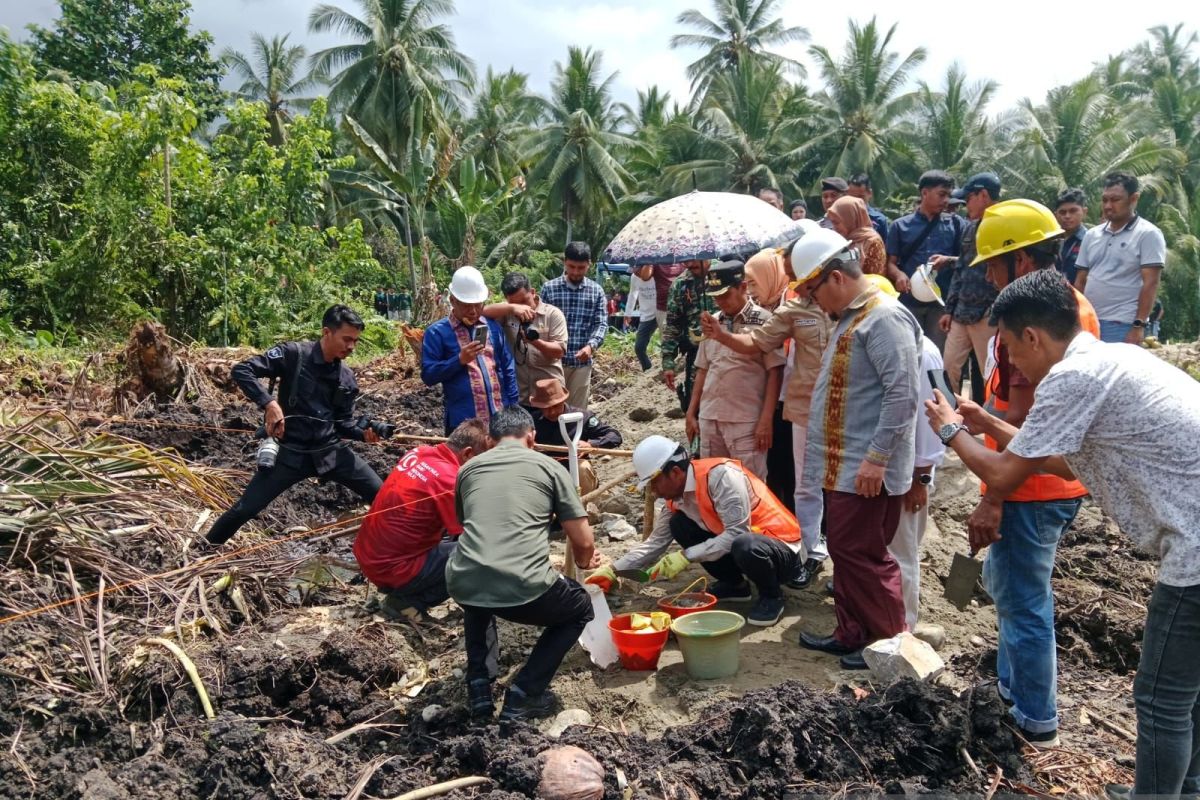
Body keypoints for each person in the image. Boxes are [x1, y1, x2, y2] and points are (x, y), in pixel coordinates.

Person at [924, 269, 1200, 795]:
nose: (1015, 365)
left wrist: (950, 430)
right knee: (1189, 692)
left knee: (1159, 698)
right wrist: (986, 421)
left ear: (1032, 336)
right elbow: (1069, 464)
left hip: (1196, 552)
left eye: (1009, 348)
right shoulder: (1114, 358)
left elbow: (1005, 474)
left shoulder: (1070, 378)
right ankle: (1186, 788)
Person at [945, 199, 1100, 748]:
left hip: (1030, 484)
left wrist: (992, 497)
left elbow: (1024, 423)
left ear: (1024, 260)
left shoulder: (1029, 326)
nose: (987, 275)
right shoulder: (1070, 306)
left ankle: (1033, 718)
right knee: (1014, 593)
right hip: (1049, 479)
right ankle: (1015, 693)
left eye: (993, 264)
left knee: (1023, 601)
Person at [793, 235, 921, 671]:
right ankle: (852, 634)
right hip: (843, 466)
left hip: (864, 468)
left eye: (813, 291)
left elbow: (902, 394)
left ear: (834, 277)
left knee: (863, 555)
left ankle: (890, 647)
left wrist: (877, 457)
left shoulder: (884, 318)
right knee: (847, 553)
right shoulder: (854, 318)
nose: (814, 301)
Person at [447, 405, 601, 722]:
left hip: (461, 578)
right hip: (524, 586)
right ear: (531, 438)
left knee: (478, 589)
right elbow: (583, 542)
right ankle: (524, 693)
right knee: (581, 606)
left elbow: (469, 527)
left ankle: (479, 690)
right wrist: (586, 563)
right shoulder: (549, 468)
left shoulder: (468, 469)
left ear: (490, 440)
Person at [701, 233, 835, 590]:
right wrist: (721, 335)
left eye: (797, 273)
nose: (792, 283)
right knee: (805, 485)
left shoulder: (857, 306)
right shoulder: (791, 313)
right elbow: (755, 345)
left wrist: (764, 418)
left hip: (846, 410)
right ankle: (806, 554)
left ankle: (828, 556)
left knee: (837, 488)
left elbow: (771, 367)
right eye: (788, 275)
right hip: (803, 408)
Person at [205, 305, 386, 546]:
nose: (351, 347)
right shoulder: (293, 354)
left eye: (355, 341)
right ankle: (206, 548)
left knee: (385, 498)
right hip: (290, 452)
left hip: (330, 451)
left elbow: (343, 425)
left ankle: (388, 552)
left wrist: (365, 434)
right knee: (244, 510)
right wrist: (269, 403)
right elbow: (242, 370)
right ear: (326, 332)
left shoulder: (347, 378)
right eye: (346, 339)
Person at [593, 435, 802, 628]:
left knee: (744, 544)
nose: (653, 491)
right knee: (679, 525)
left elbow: (737, 532)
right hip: (746, 547)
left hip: (782, 549)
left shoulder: (720, 476)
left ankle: (771, 596)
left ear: (675, 472)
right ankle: (735, 585)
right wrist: (614, 569)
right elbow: (654, 543)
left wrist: (686, 556)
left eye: (654, 482)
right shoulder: (674, 500)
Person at [865, 274, 946, 630]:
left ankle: (904, 629)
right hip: (888, 465)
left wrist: (921, 478)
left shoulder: (923, 352)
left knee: (901, 552)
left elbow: (934, 418)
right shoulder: (888, 345)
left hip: (910, 470)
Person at [353, 419, 490, 621]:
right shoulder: (450, 479)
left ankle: (405, 594)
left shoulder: (419, 452)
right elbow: (477, 531)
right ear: (468, 453)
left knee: (453, 541)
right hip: (392, 569)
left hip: (369, 558)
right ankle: (408, 602)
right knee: (480, 553)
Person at [686, 260, 785, 480]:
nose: (720, 302)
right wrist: (692, 412)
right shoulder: (712, 323)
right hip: (710, 417)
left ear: (742, 287)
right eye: (715, 297)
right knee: (712, 483)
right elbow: (703, 369)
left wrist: (766, 419)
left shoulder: (765, 321)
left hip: (745, 420)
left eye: (725, 295)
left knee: (751, 484)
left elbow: (775, 373)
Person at [421, 266, 519, 433]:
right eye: (467, 305)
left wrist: (512, 405)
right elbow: (428, 375)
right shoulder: (437, 333)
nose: (473, 311)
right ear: (453, 301)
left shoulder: (492, 327)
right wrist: (459, 360)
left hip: (499, 419)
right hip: (463, 423)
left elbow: (506, 366)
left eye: (478, 305)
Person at [1074, 172, 1166, 344]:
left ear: (1134, 199)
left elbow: (1151, 283)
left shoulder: (1148, 234)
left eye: (1115, 200)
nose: (1108, 205)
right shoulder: (1092, 235)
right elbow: (1080, 281)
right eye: (1105, 200)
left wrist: (1138, 326)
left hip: (1122, 324)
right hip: (1089, 323)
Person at [885, 170, 965, 349]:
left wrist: (948, 259)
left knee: (939, 357)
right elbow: (890, 263)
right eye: (941, 194)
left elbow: (966, 259)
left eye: (948, 196)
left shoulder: (956, 224)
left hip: (942, 304)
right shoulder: (900, 226)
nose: (946, 200)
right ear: (924, 193)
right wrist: (899, 275)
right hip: (909, 302)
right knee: (910, 353)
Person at [743, 248, 797, 514]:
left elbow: (779, 360)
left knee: (789, 470)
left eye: (754, 282)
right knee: (773, 470)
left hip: (788, 401)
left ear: (770, 276)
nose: (750, 290)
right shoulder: (760, 310)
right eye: (748, 283)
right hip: (766, 399)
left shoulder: (791, 305)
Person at [941, 173, 1002, 395]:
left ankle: (991, 424)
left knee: (991, 374)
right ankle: (947, 422)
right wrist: (950, 308)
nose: (966, 205)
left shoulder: (1005, 226)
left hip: (988, 313)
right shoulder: (969, 227)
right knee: (947, 369)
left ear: (983, 195)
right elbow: (961, 269)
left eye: (968, 199)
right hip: (961, 312)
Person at [481, 271, 568, 412]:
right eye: (515, 303)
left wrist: (535, 341)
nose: (522, 307)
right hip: (520, 396)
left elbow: (559, 351)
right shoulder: (508, 314)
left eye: (524, 301)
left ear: (533, 292)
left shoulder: (552, 314)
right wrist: (511, 308)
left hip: (550, 397)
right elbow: (481, 312)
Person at [540, 241, 608, 408]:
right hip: (553, 363)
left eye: (581, 268)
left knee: (577, 412)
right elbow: (541, 322)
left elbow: (601, 323)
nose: (576, 272)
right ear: (565, 262)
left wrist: (591, 347)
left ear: (589, 265)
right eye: (571, 267)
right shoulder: (549, 289)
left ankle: (576, 436)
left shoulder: (596, 291)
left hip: (581, 364)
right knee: (552, 410)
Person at [528, 378, 622, 495]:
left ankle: (584, 505)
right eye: (546, 408)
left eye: (555, 406)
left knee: (583, 468)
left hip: (575, 471)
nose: (551, 412)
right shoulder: (532, 421)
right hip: (545, 471)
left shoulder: (581, 417)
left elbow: (614, 436)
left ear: (563, 401)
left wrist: (590, 444)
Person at [661, 259, 715, 413]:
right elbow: (672, 324)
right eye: (685, 261)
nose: (690, 264)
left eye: (694, 259)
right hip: (697, 356)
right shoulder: (680, 285)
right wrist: (668, 361)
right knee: (695, 407)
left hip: (728, 353)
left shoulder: (724, 275)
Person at [826, 196, 887, 275]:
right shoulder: (840, 240)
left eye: (837, 222)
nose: (834, 227)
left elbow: (873, 276)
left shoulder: (872, 242)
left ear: (850, 220)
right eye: (832, 222)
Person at [625, 264, 659, 371]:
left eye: (638, 271)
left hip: (662, 312)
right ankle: (648, 371)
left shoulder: (659, 274)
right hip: (647, 315)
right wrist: (628, 312)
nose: (636, 273)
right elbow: (632, 294)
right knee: (639, 347)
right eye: (633, 271)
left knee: (669, 345)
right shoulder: (634, 277)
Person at [1053, 188, 1088, 287]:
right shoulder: (1051, 240)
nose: (1067, 216)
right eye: (1062, 212)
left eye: (1073, 211)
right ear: (1056, 215)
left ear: (1084, 212)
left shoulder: (1090, 240)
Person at [847, 174, 890, 241]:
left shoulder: (879, 220)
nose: (856, 202)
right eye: (852, 197)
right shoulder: (841, 219)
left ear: (870, 193)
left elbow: (885, 247)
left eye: (860, 197)